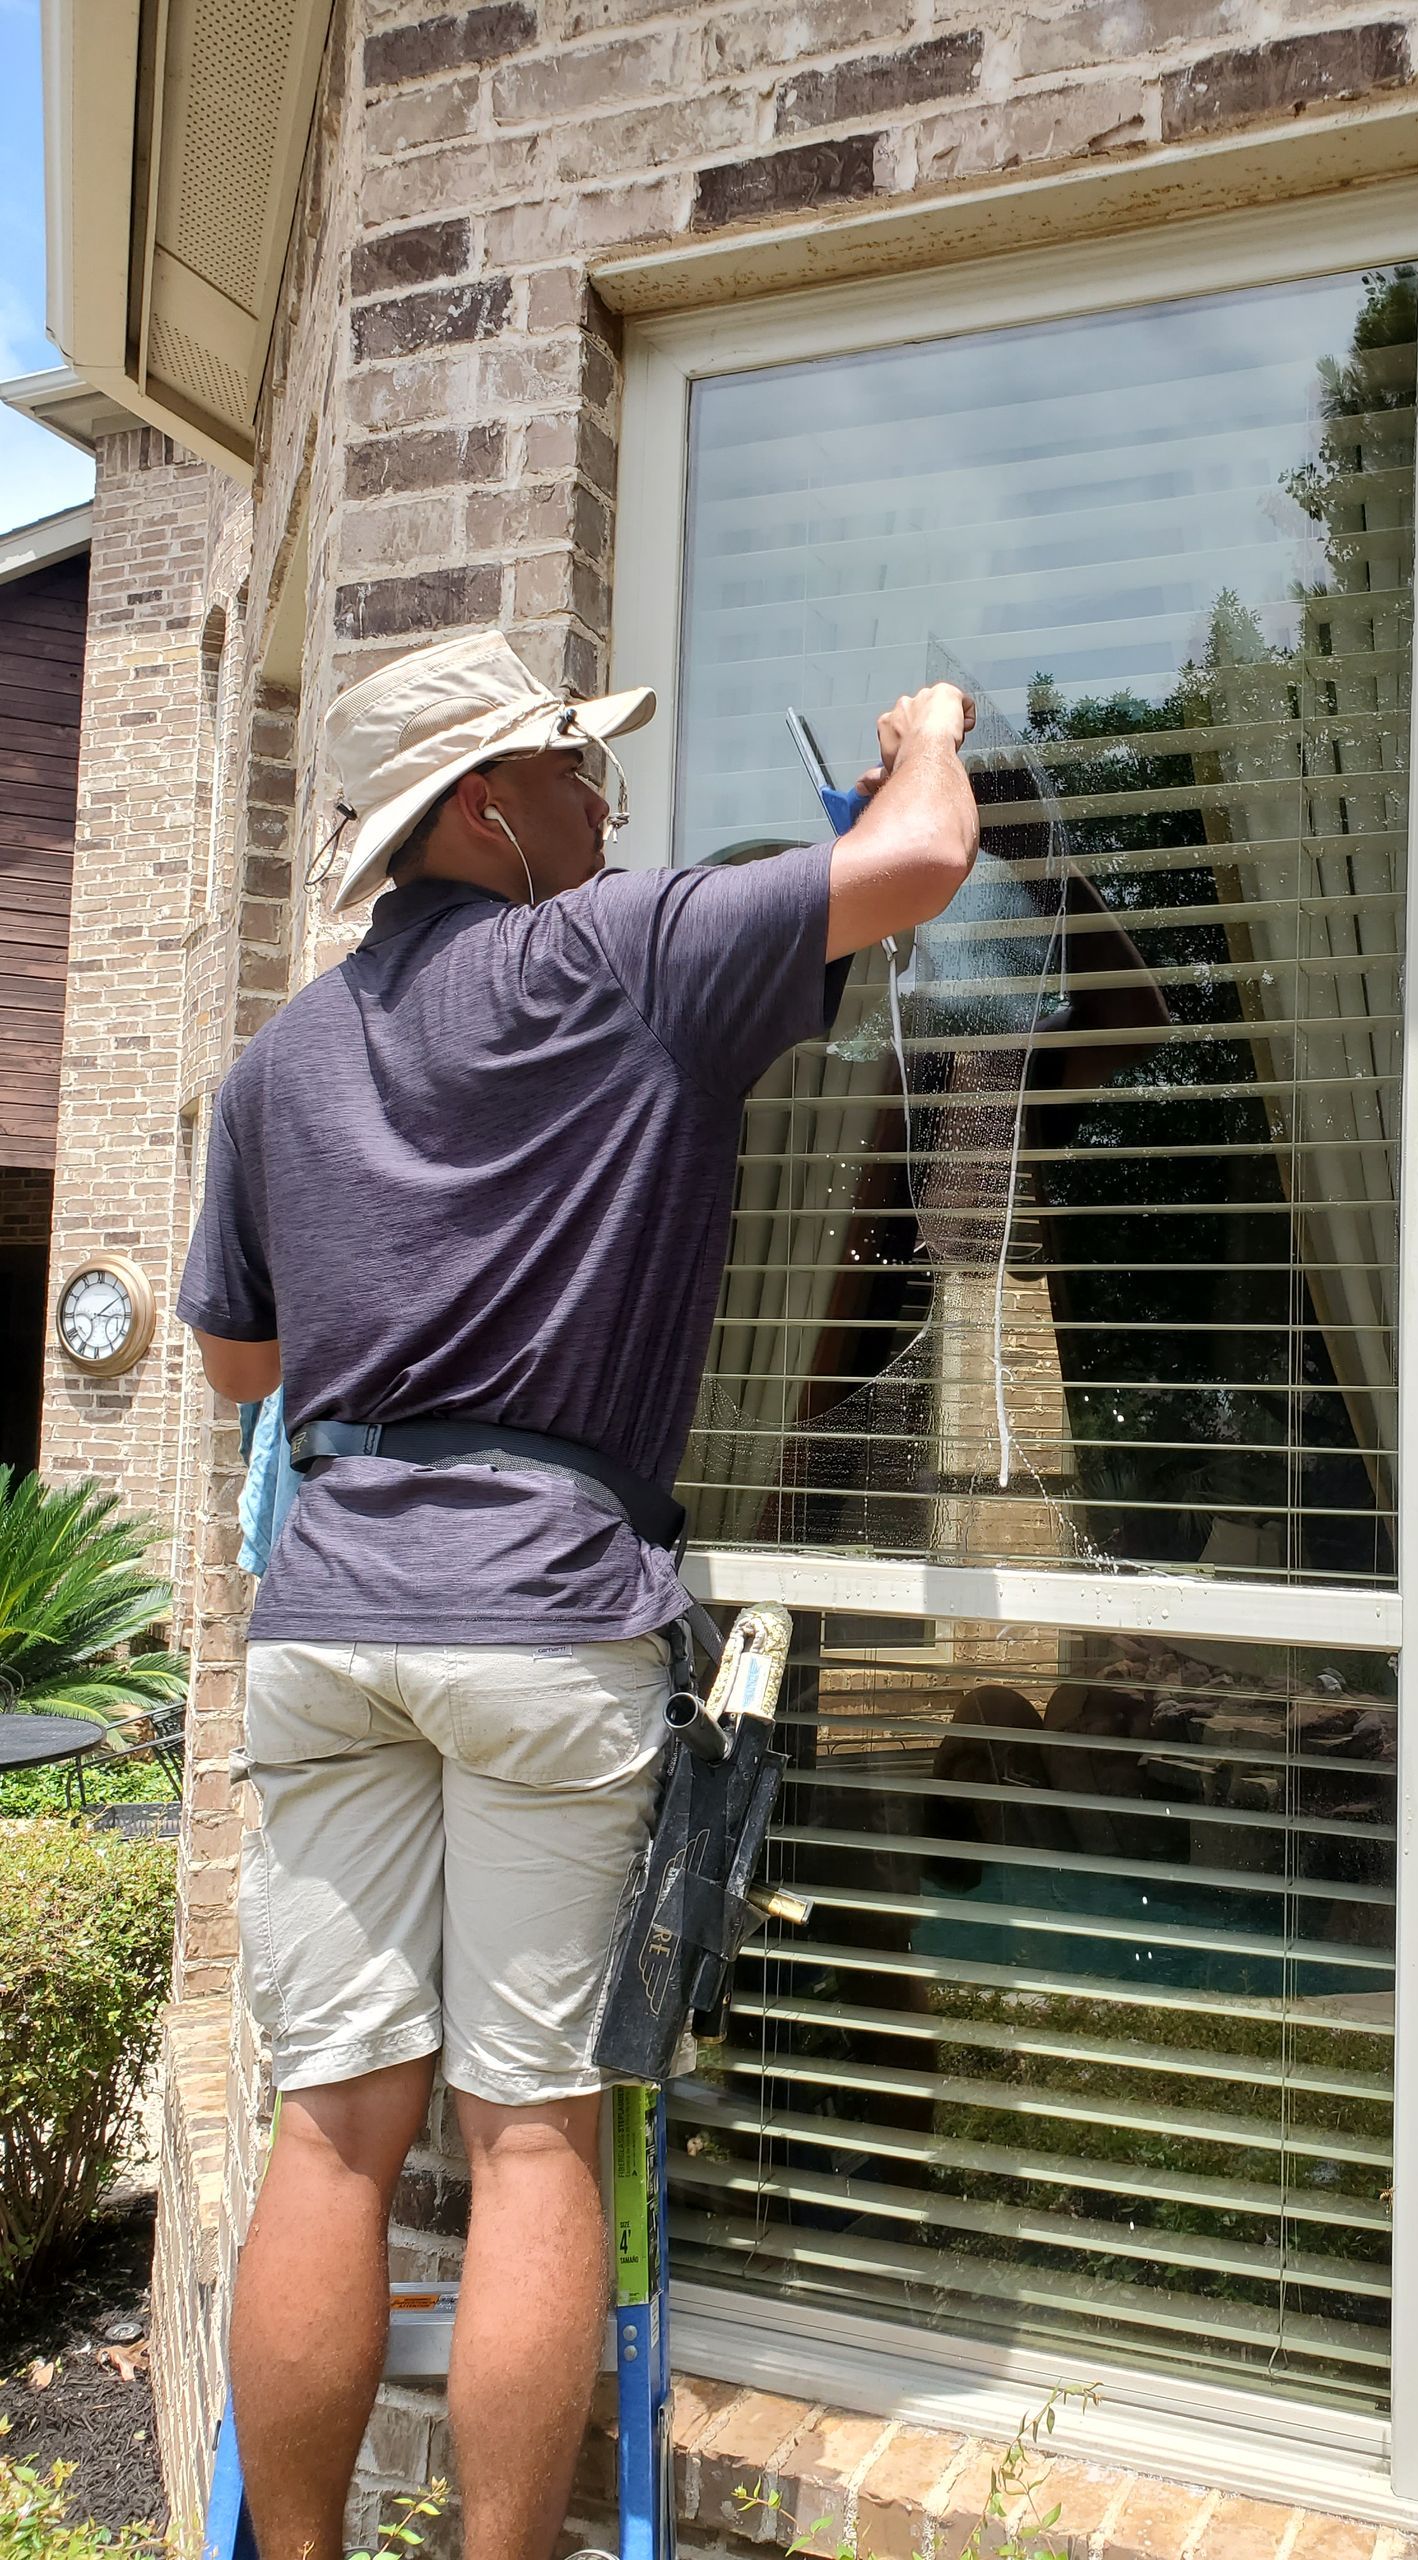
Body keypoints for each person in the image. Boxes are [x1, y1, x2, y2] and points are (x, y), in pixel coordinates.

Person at [177, 628, 978, 2560]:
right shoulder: (616, 952)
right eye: (574, 769)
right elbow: (926, 857)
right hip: (536, 1608)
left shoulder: (274, 1062)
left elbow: (232, 1366)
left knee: (327, 2127)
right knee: (534, 2130)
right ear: (486, 811)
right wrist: (923, 735)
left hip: (336, 1614)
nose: (605, 801)